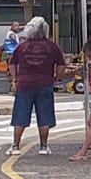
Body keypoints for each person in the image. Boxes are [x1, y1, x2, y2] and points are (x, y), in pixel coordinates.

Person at [7, 16, 67, 156]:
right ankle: (44, 147)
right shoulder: (52, 46)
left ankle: (15, 146)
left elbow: (12, 63)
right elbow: (61, 65)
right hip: (45, 83)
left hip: (24, 84)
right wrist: (56, 78)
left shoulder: (22, 46)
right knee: (44, 115)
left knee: (20, 115)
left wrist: (15, 79)